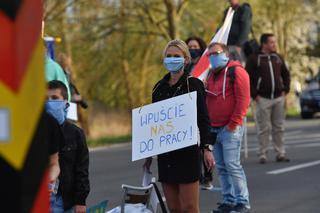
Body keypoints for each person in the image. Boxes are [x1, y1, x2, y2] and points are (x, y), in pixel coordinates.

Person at [143, 39, 215, 213]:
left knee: (189, 207)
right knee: (174, 208)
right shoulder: (158, 88)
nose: (172, 59)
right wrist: (147, 152)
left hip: (187, 153)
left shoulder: (194, 84)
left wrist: (207, 148)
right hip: (166, 154)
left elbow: (203, 119)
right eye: (169, 56)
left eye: (177, 56)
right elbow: (154, 123)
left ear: (186, 59)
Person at [205, 42, 250, 213]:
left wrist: (233, 123)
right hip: (214, 128)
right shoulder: (211, 74)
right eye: (210, 55)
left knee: (232, 165)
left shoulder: (237, 71)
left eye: (215, 53)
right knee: (222, 168)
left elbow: (243, 100)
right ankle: (228, 200)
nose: (212, 57)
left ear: (225, 53)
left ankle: (243, 202)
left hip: (229, 128)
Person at [245, 33, 291, 164]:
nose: (274, 45)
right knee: (263, 128)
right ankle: (262, 154)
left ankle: (280, 153)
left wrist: (285, 90)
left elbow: (286, 74)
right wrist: (255, 95)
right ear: (264, 44)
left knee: (279, 127)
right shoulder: (254, 59)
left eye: (275, 42)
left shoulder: (278, 57)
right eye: (272, 42)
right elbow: (247, 78)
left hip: (278, 98)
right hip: (262, 99)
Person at [47, 80, 90, 213]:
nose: (49, 102)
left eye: (54, 98)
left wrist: (80, 202)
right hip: (43, 201)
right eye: (45, 98)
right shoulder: (35, 133)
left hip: (66, 203)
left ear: (66, 103)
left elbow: (81, 171)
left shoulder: (76, 134)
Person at [185, 36, 215, 190]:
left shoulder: (208, 67)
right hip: (188, 110)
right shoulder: (185, 67)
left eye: (195, 46)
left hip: (204, 106)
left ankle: (208, 175)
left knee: (204, 140)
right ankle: (198, 175)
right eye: (189, 46)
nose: (192, 49)